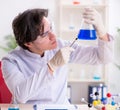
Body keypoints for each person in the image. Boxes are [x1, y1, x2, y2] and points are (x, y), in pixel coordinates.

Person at [1, 8, 113, 104]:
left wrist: (102, 31)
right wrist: (51, 66)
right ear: (28, 43)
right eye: (45, 34)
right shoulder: (11, 61)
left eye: (51, 28)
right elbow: (21, 96)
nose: (53, 36)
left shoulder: (61, 45)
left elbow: (102, 58)